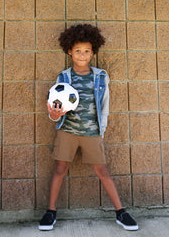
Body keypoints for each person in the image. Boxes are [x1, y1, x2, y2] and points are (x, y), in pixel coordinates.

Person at [39, 24, 138, 231]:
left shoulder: (100, 76)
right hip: (67, 131)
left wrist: (101, 131)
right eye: (77, 51)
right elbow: (54, 109)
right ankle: (50, 212)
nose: (82, 55)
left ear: (93, 52)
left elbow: (104, 107)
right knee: (59, 169)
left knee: (103, 171)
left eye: (86, 51)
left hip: (92, 132)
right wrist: (53, 115)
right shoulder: (63, 78)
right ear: (69, 51)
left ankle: (121, 212)